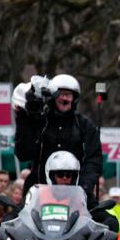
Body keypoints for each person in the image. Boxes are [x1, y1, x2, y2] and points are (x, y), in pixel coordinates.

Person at [13, 74, 103, 207]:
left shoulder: (85, 125)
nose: (64, 98)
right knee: (10, 221)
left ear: (74, 99)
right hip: (39, 190)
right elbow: (23, 153)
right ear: (52, 97)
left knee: (109, 222)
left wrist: (83, 187)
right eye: (60, 94)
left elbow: (94, 160)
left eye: (68, 94)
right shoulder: (40, 121)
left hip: (77, 193)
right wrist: (23, 118)